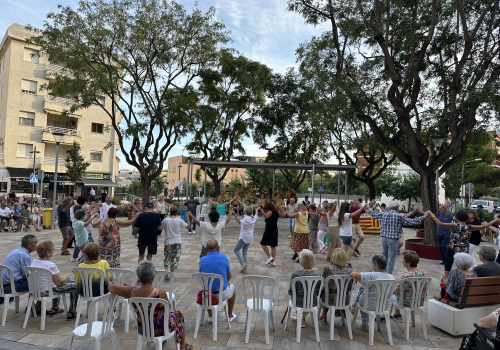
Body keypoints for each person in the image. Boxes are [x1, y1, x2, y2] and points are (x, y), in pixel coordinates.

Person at [109, 261, 191, 349]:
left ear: (139, 277)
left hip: (143, 328)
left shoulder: (132, 292)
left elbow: (111, 287)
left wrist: (129, 288)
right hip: (161, 329)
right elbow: (168, 308)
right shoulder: (160, 293)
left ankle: (164, 341)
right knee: (178, 314)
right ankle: (182, 345)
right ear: (153, 277)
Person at [428, 209, 499, 277]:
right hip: (464, 249)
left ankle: (446, 281)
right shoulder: (469, 227)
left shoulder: (454, 225)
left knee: (448, 264)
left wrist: (431, 214)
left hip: (453, 248)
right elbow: (484, 226)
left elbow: (440, 223)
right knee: (464, 266)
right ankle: (463, 279)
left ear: (457, 218)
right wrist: (494, 220)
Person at [369, 202, 424, 274]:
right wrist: (423, 217)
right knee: (391, 259)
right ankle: (388, 276)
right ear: (397, 208)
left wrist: (373, 207)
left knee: (384, 258)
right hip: (393, 240)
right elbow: (411, 222)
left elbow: (371, 213)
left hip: (384, 239)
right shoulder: (399, 216)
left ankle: (383, 274)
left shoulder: (383, 214)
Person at [30, 240, 78, 317]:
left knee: (55, 282)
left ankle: (55, 307)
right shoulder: (50, 265)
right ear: (48, 253)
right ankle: (72, 311)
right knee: (76, 285)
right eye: (53, 250)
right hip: (46, 291)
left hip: (35, 290)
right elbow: (59, 283)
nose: (53, 251)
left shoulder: (34, 262)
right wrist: (66, 278)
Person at [349, 255, 395, 332]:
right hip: (384, 305)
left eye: (372, 263)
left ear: (376, 265)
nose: (372, 265)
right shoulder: (391, 277)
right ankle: (354, 308)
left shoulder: (372, 275)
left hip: (369, 304)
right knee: (364, 289)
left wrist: (358, 279)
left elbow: (352, 274)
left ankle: (364, 323)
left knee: (362, 293)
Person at [69, 243, 111, 320]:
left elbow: (78, 282)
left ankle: (72, 310)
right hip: (102, 292)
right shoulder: (103, 263)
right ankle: (111, 308)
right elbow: (110, 278)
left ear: (86, 254)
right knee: (112, 286)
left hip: (85, 292)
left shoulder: (80, 266)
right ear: (98, 253)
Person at [198, 240, 237, 323]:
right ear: (218, 247)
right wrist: (224, 284)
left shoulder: (202, 260)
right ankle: (230, 315)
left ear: (206, 248)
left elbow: (202, 276)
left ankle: (211, 316)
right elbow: (229, 275)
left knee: (206, 290)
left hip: (206, 295)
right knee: (232, 288)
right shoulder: (223, 257)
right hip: (221, 294)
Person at [288, 249, 322, 327]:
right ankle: (301, 317)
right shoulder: (317, 275)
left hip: (298, 302)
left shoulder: (295, 275)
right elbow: (318, 290)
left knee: (296, 297)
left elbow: (291, 291)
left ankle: (299, 315)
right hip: (312, 302)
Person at [389, 250, 426, 322]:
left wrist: (395, 287)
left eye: (403, 259)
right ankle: (397, 314)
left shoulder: (407, 276)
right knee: (396, 295)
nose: (401, 260)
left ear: (408, 263)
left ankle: (382, 316)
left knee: (388, 294)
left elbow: (395, 291)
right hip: (418, 300)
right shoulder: (421, 272)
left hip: (407, 302)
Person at [319, 248, 353, 325]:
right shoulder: (349, 271)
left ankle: (324, 314)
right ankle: (324, 315)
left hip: (329, 299)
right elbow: (350, 287)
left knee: (325, 291)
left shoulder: (328, 269)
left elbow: (324, 281)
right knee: (333, 292)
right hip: (344, 299)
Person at [257, 203, 287, 267]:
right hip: (275, 229)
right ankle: (273, 262)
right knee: (273, 246)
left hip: (269, 229)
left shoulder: (270, 212)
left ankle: (269, 256)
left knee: (263, 243)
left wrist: (261, 210)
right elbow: (284, 216)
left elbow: (266, 216)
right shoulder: (276, 212)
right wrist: (283, 210)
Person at [162, 206, 188, 273]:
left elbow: (159, 228)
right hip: (177, 241)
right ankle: (171, 272)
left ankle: (166, 270)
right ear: (176, 212)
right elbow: (188, 226)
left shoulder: (165, 220)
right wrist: (188, 217)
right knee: (175, 257)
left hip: (168, 241)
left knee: (167, 256)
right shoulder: (179, 220)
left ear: (170, 212)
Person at [234, 206, 259, 272]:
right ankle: (245, 269)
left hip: (244, 237)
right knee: (244, 252)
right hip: (250, 237)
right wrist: (257, 209)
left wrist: (235, 215)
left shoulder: (245, 219)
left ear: (245, 212)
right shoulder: (253, 218)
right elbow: (256, 215)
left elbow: (239, 222)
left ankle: (243, 263)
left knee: (236, 249)